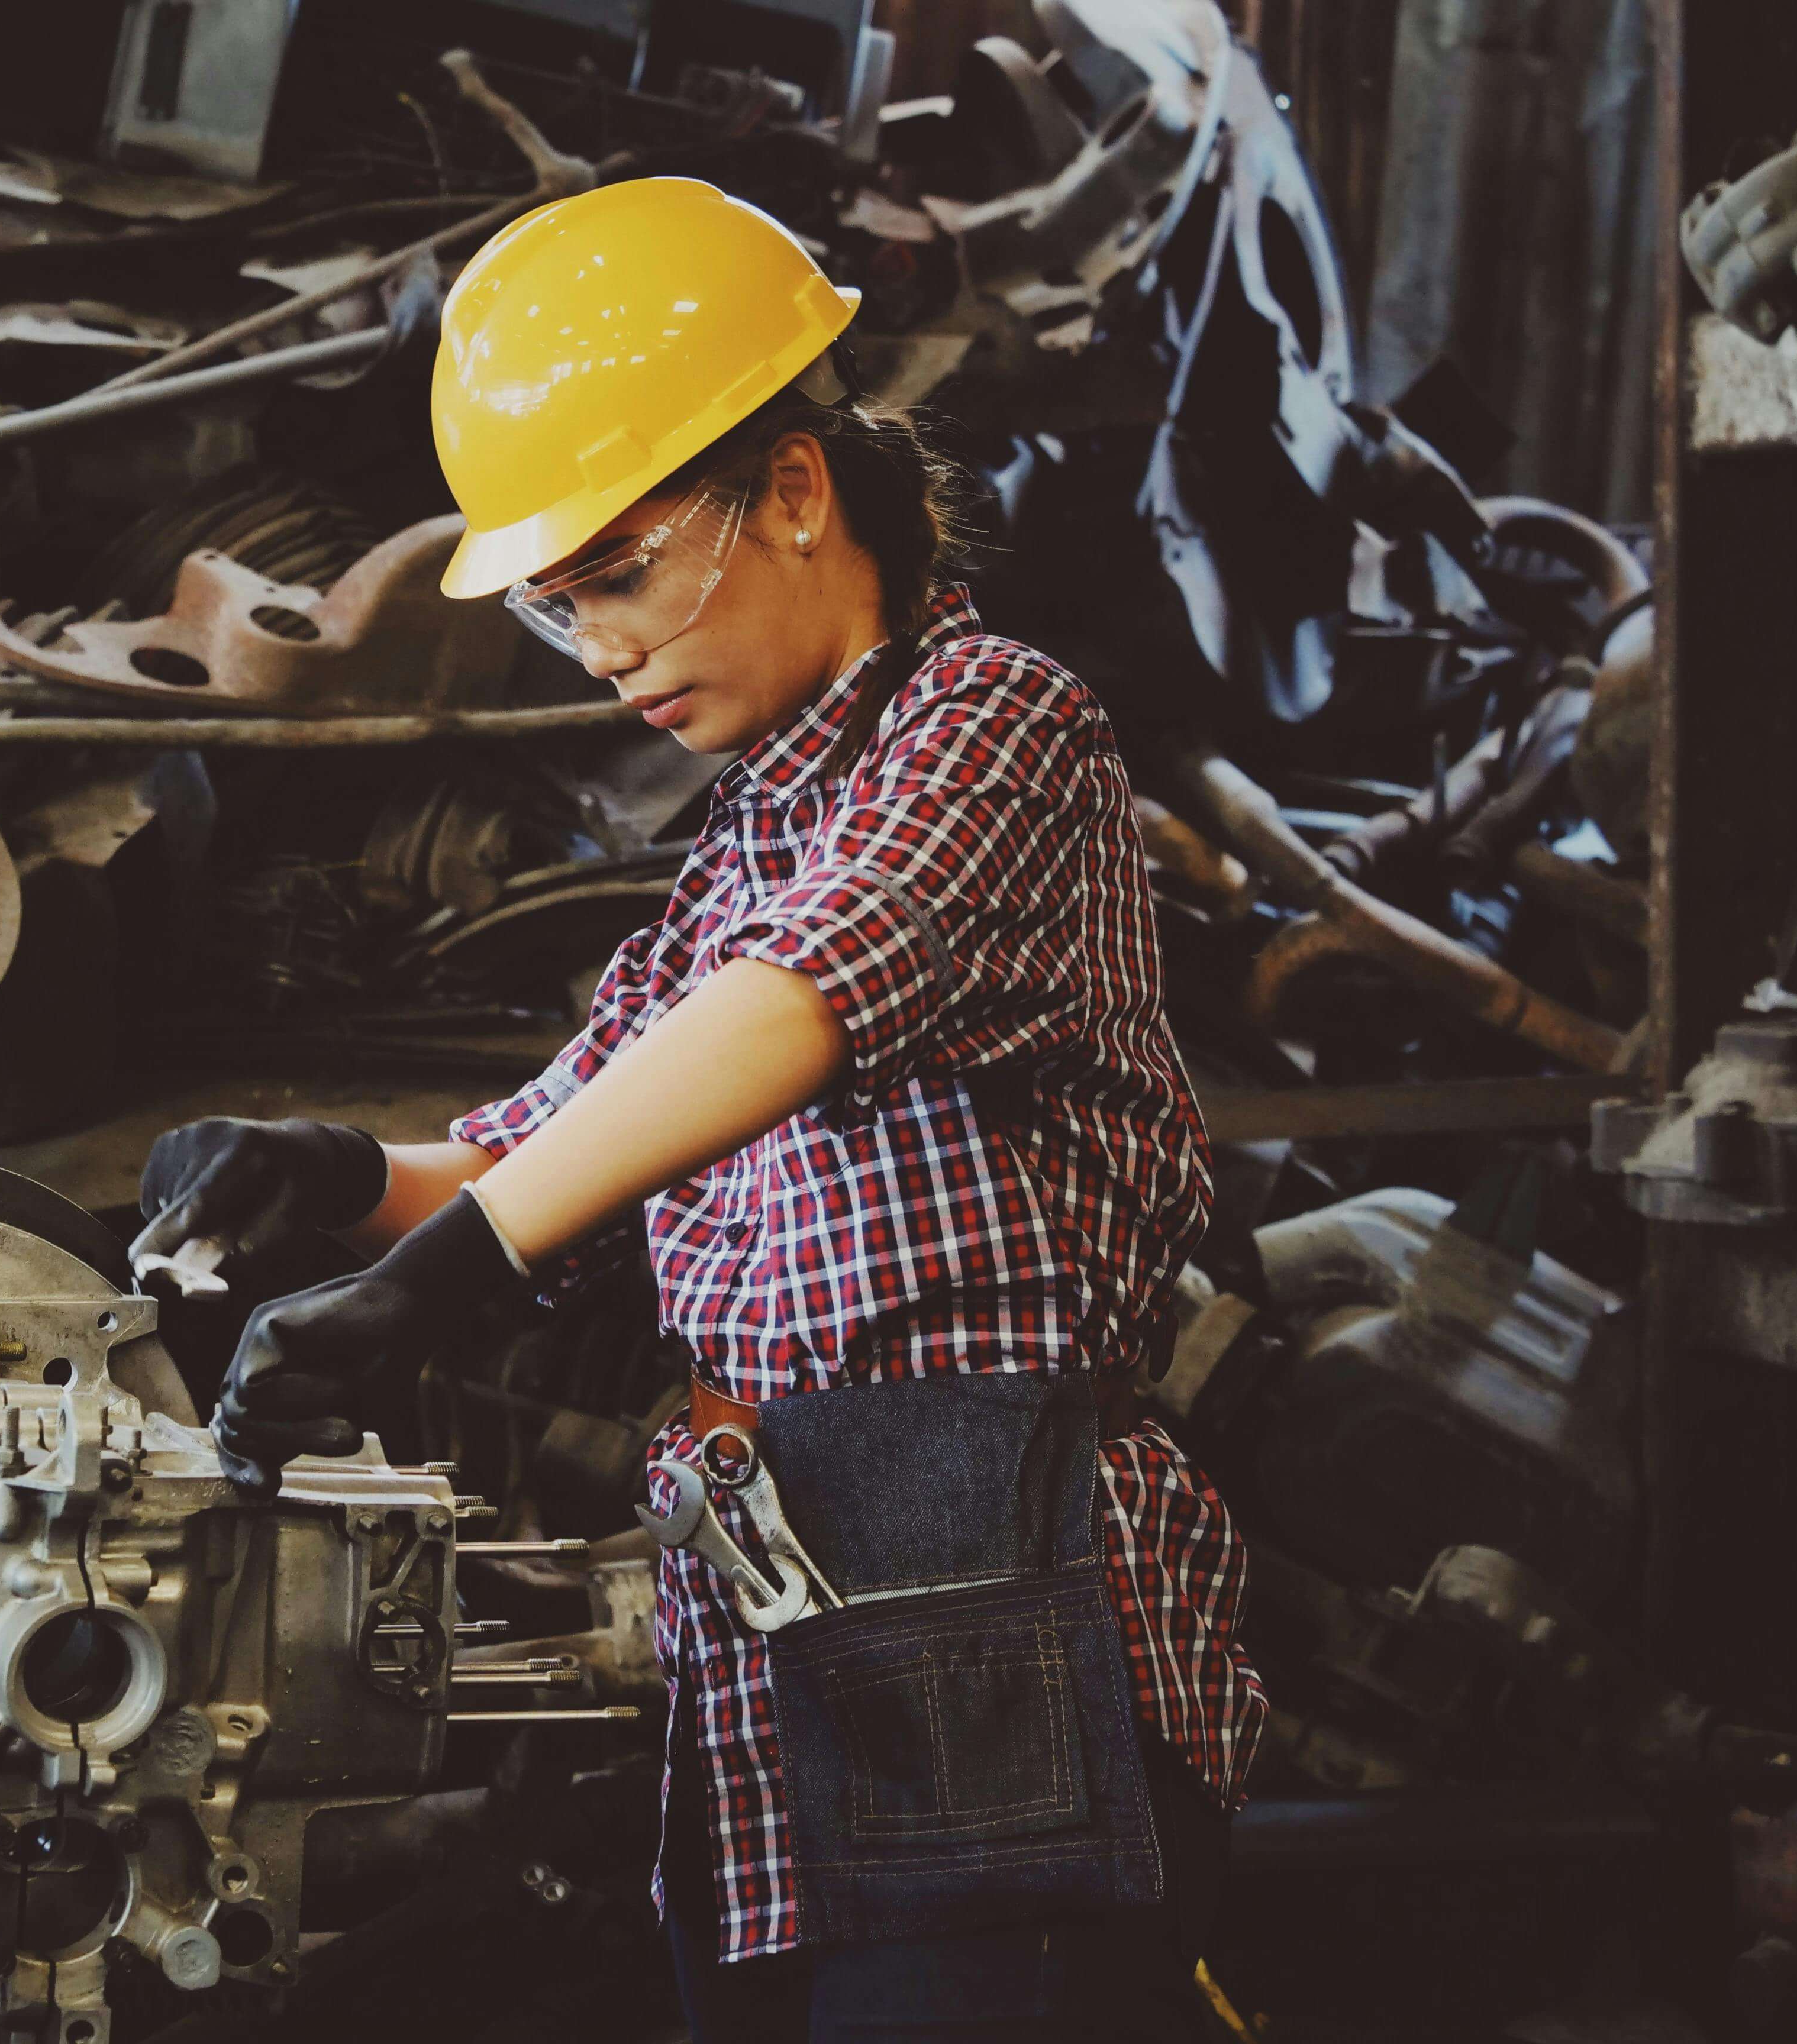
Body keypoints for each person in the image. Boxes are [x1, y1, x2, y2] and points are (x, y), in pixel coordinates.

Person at [131, 177, 1266, 2042]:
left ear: (798, 492)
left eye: (625, 573)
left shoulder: (994, 725)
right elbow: (548, 1142)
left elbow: (800, 1001)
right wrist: (331, 1180)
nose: (601, 652)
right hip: (779, 1627)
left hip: (996, 1609)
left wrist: (455, 1276)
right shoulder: (747, 842)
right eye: (564, 606)